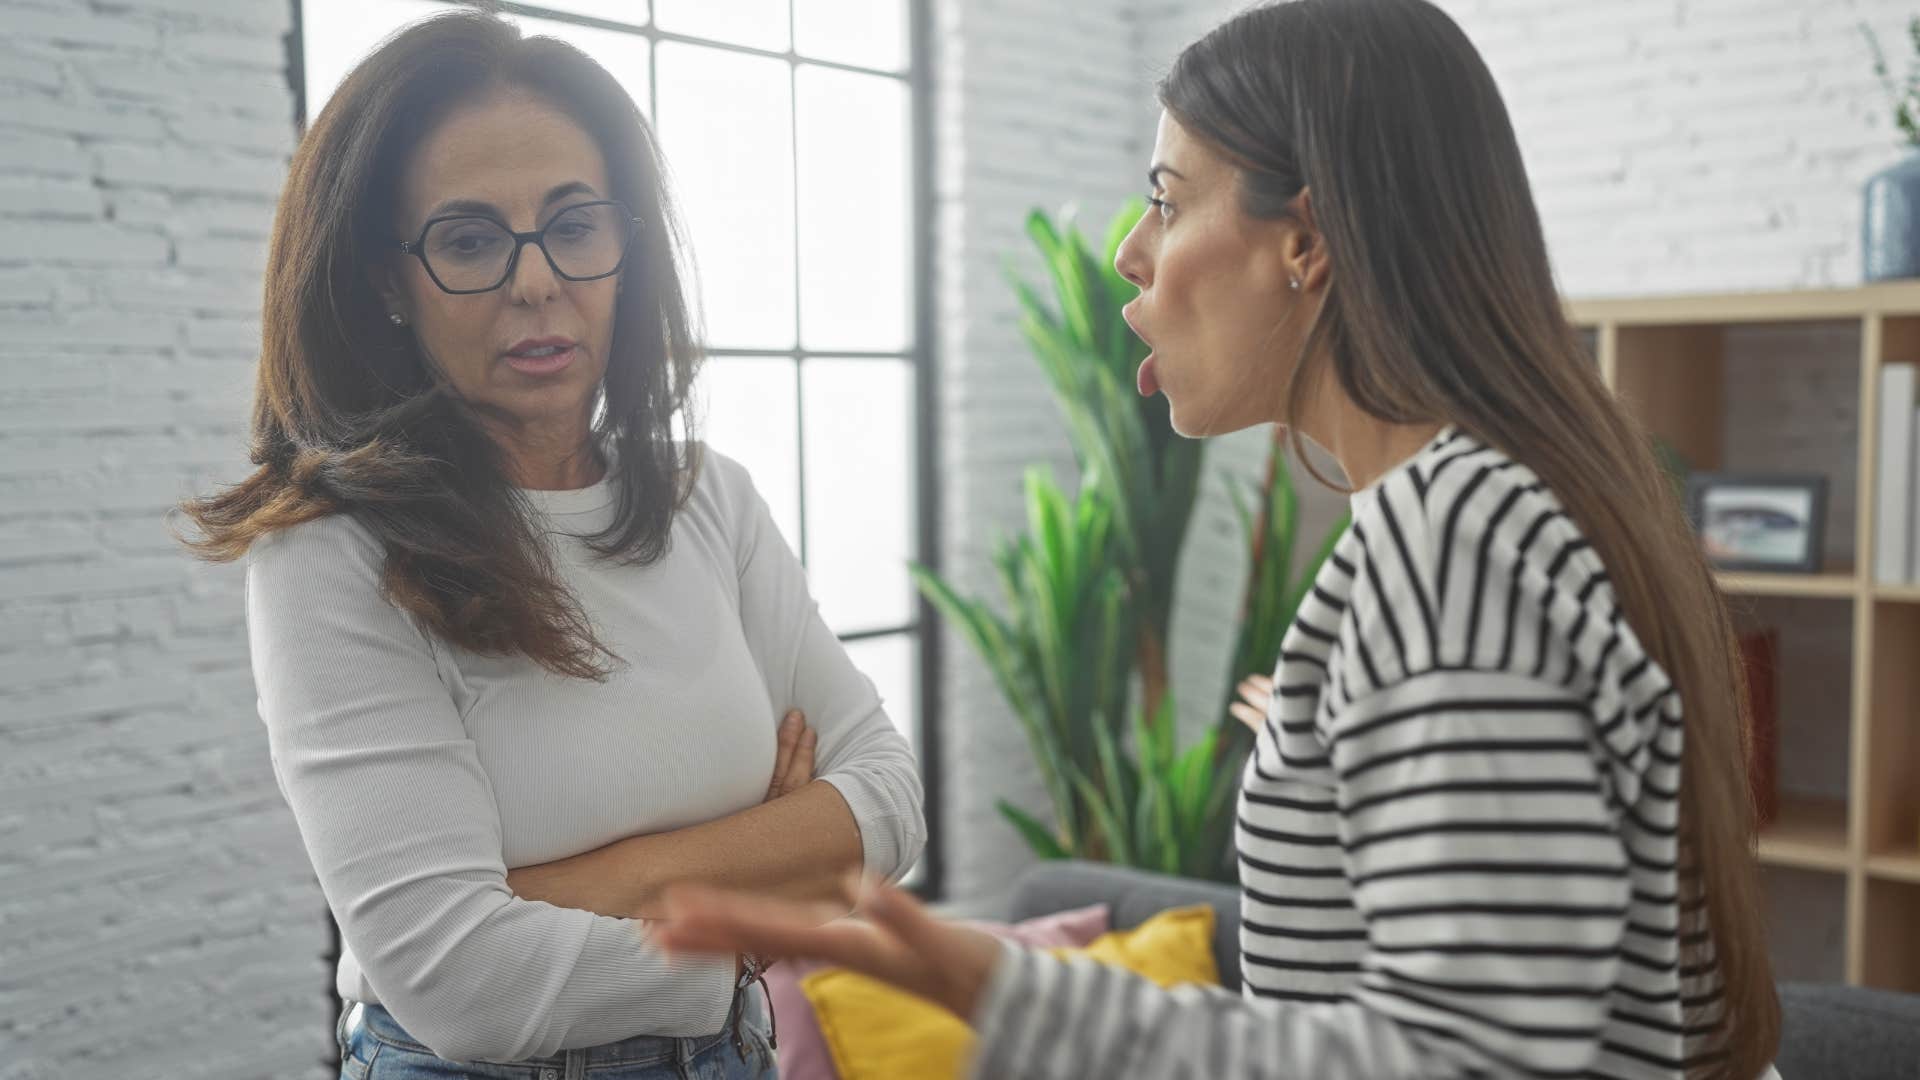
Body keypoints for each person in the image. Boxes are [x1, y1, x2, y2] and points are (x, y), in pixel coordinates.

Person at [652, 1, 1782, 1076]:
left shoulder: (1451, 538)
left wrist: (1002, 992)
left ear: (1309, 240)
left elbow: (1468, 1065)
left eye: (1168, 199)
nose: (1130, 254)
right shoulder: (1483, 510)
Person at [180, 11, 923, 1078]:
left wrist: (560, 891)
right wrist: (767, 878)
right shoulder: (333, 555)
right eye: (471, 239)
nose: (537, 280)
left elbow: (891, 798)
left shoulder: (712, 497)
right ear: (388, 282)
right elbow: (462, 983)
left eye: (575, 224)